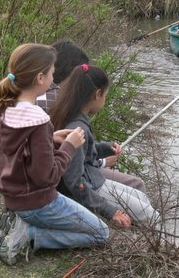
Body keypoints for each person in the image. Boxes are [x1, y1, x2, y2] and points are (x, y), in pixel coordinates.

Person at [0, 43, 108, 266]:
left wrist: (51, 139)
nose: (55, 79)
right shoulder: (38, 119)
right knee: (100, 233)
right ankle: (28, 235)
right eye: (52, 72)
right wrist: (69, 147)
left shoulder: (5, 108)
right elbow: (47, 177)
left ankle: (20, 222)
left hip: (13, 197)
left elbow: (18, 151)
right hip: (37, 202)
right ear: (40, 78)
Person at [50, 64, 159, 226]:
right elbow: (74, 182)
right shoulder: (78, 129)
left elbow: (83, 154)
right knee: (152, 217)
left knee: (142, 198)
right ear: (98, 94)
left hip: (94, 179)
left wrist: (104, 148)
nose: (104, 100)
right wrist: (109, 210)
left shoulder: (70, 116)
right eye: (105, 95)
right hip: (91, 187)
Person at [36, 40, 146, 192]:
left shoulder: (42, 94)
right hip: (66, 177)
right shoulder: (60, 100)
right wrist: (102, 163)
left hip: (64, 170)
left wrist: (102, 150)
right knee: (137, 185)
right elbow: (72, 164)